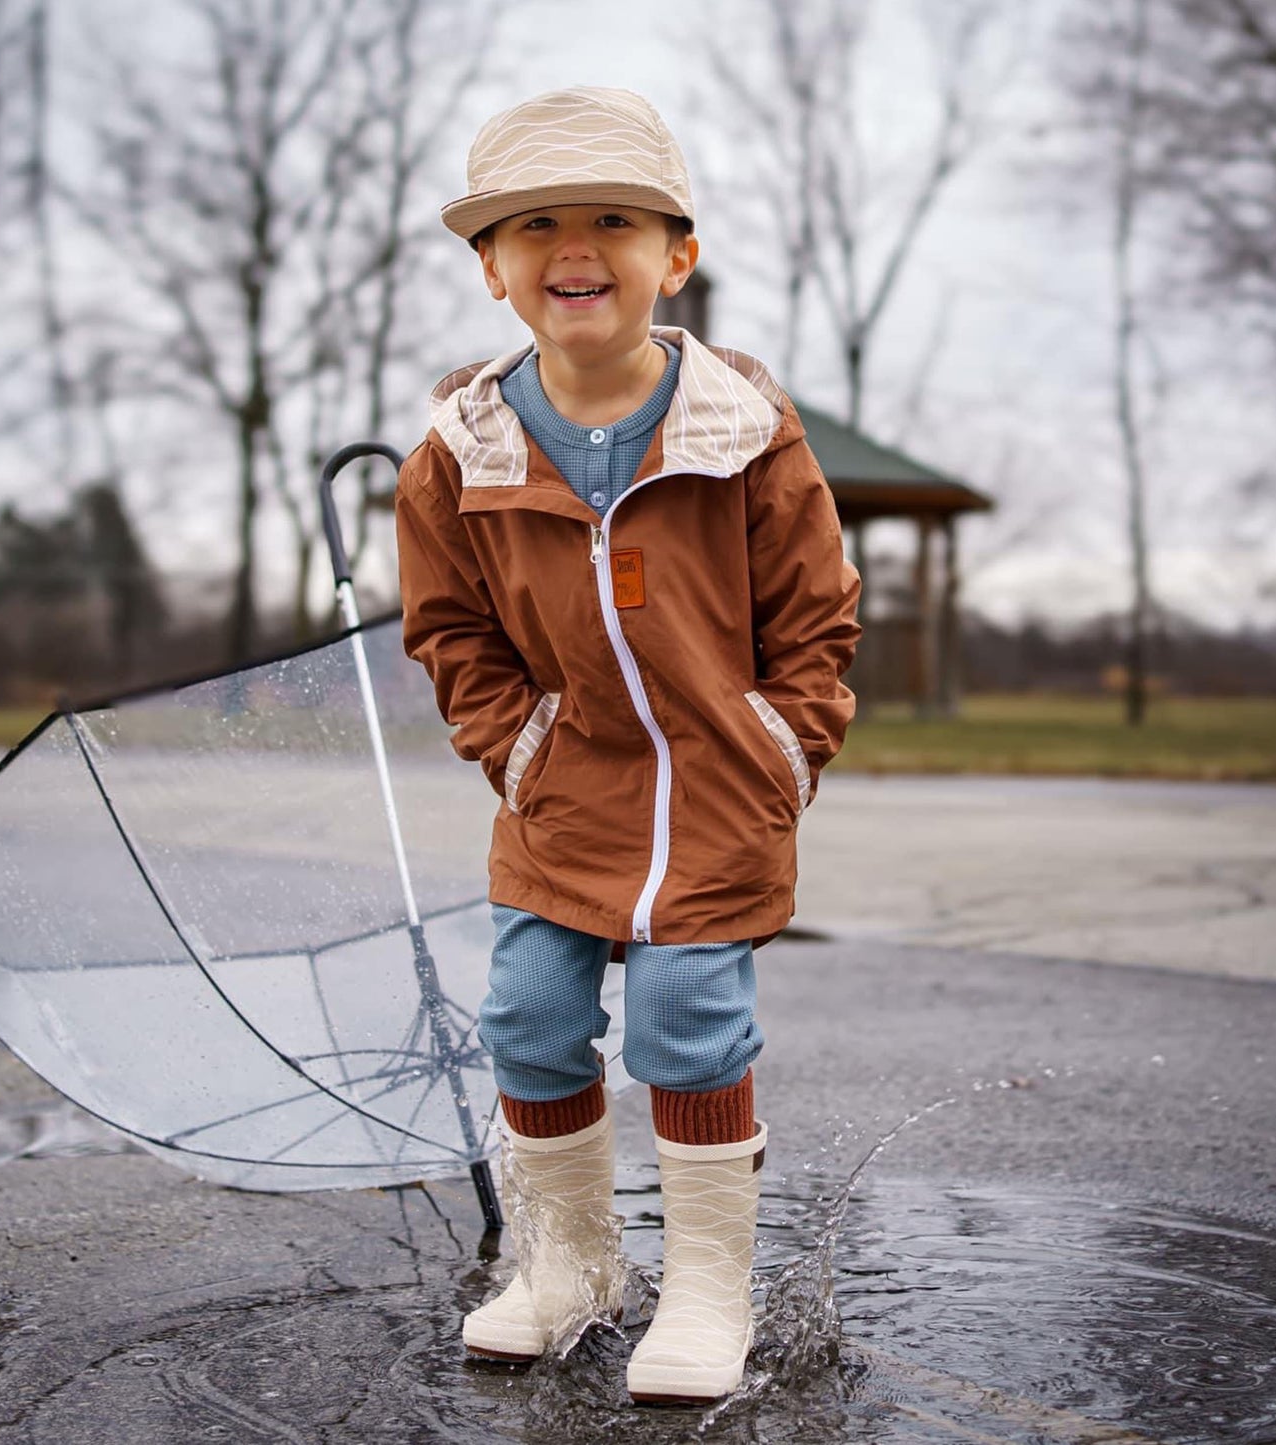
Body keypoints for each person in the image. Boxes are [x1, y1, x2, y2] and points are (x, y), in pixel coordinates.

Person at [394, 86, 861, 1404]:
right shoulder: (455, 456)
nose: (573, 246)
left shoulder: (746, 434)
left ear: (677, 258)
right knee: (528, 1015)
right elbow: (449, 630)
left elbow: (814, 613)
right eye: (532, 224)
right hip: (568, 787)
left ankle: (706, 1288)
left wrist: (783, 745)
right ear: (492, 268)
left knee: (685, 1019)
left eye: (612, 219)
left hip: (716, 782)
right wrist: (519, 746)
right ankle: (570, 1265)